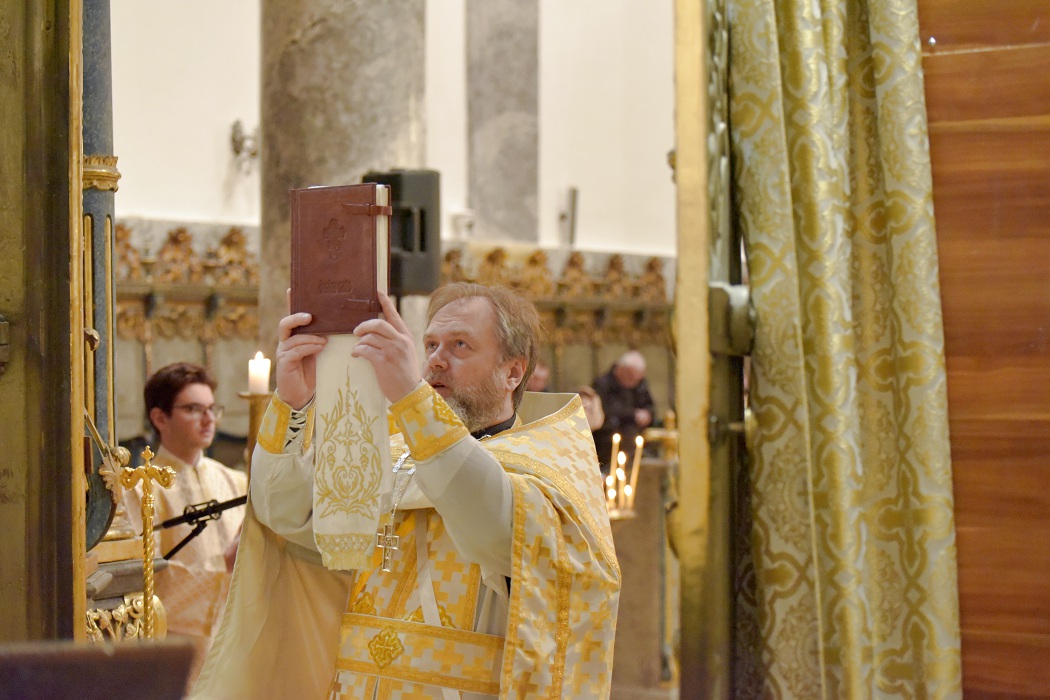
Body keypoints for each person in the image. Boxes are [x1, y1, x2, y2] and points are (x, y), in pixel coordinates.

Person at [194, 283, 620, 699]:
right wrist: (294, 403)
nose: (436, 360)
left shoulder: (543, 466)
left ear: (513, 371)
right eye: (430, 344)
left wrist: (411, 398)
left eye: (460, 345)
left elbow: (492, 527)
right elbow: (287, 518)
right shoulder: (392, 450)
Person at [123, 362, 247, 682]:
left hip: (237, 644)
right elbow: (145, 581)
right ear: (159, 418)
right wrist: (223, 565)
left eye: (212, 409)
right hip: (178, 649)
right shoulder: (141, 488)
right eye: (193, 409)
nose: (209, 420)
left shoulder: (236, 482)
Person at [591, 351, 655, 472]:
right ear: (620, 369)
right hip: (609, 440)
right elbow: (603, 412)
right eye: (631, 376)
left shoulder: (639, 384)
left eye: (637, 378)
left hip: (637, 438)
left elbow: (649, 406)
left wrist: (647, 414)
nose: (634, 381)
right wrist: (633, 414)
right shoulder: (603, 384)